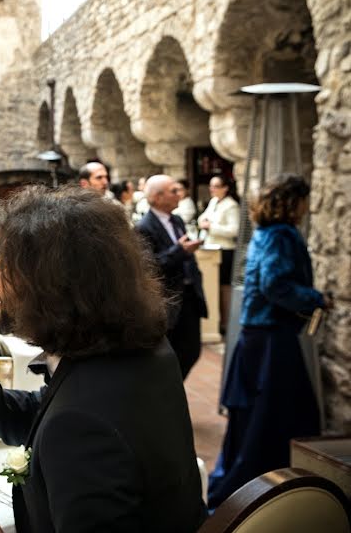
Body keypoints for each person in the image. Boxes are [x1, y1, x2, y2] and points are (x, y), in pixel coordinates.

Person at [0, 186, 206, 533]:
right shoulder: (143, 350)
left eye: (6, 262)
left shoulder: (81, 426)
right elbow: (47, 413)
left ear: (51, 284)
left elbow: (70, 425)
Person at [207, 174, 328, 509]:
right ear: (293, 202)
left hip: (257, 338)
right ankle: (259, 492)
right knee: (270, 421)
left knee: (256, 420)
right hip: (271, 339)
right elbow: (275, 285)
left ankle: (242, 489)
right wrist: (314, 298)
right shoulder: (281, 234)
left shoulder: (265, 232)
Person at [136, 175, 207, 380]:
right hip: (168, 300)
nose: (179, 195)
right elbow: (150, 266)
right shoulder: (144, 227)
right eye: (173, 191)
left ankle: (174, 385)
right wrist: (180, 250)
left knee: (192, 350)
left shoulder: (177, 220)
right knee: (171, 352)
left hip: (189, 296)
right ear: (157, 197)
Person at [197, 175, 240, 335]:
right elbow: (203, 218)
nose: (212, 189)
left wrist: (211, 226)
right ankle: (216, 321)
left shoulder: (231, 206)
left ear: (225, 188)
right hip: (212, 248)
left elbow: (234, 230)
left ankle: (226, 323)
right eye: (211, 186)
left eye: (215, 186)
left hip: (225, 250)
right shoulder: (214, 202)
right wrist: (204, 223)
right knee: (213, 287)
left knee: (224, 288)